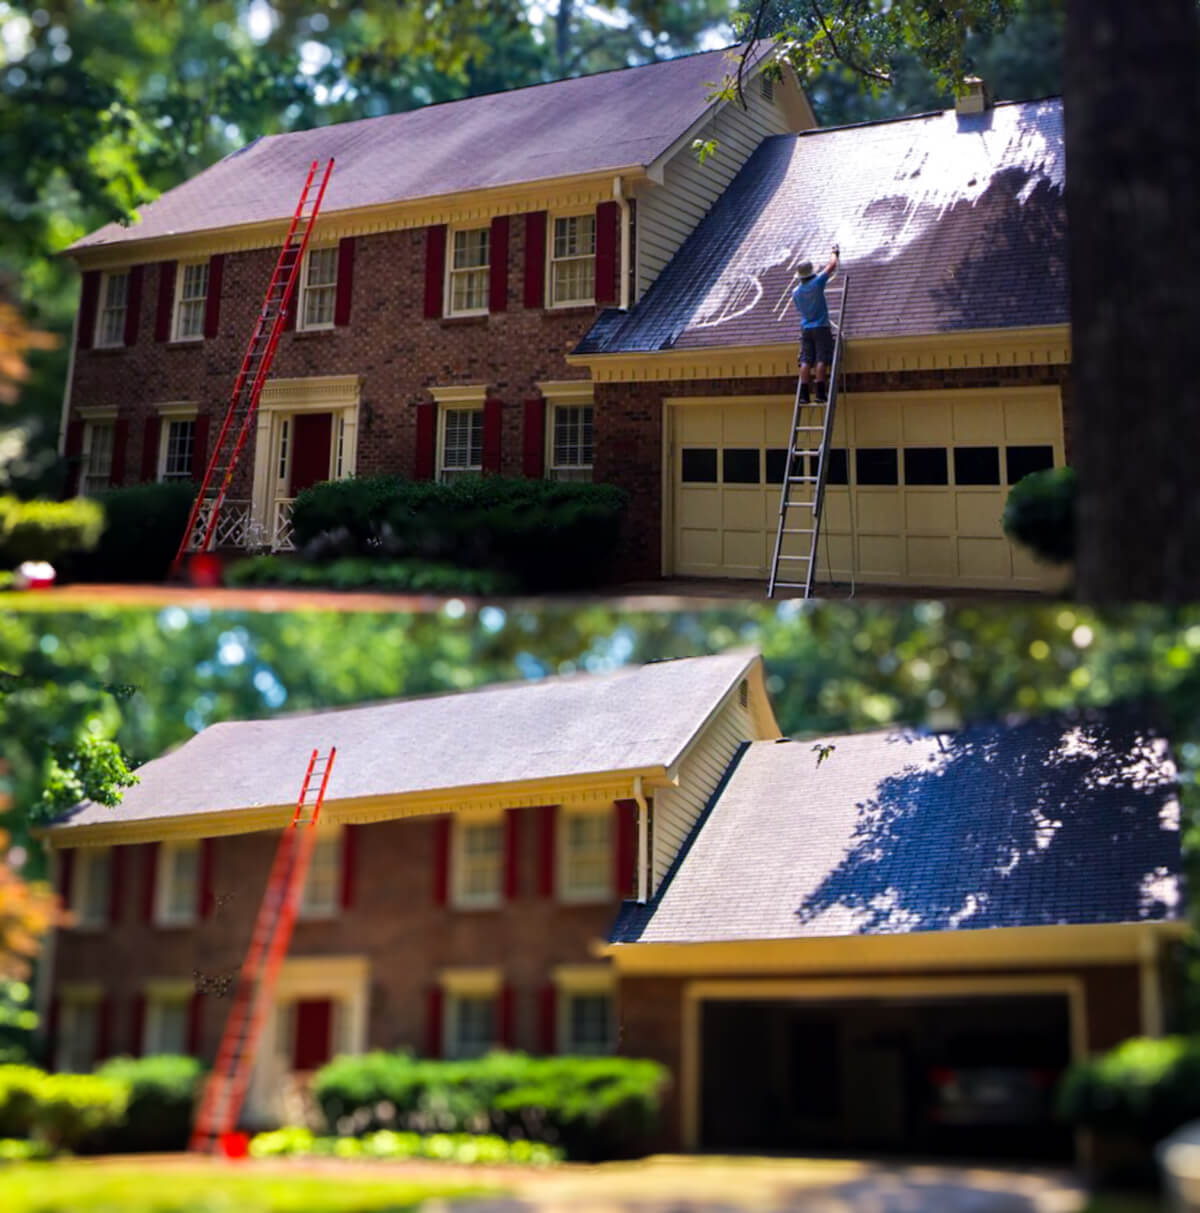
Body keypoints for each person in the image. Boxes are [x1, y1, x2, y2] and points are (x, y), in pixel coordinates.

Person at [791, 245, 840, 403]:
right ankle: (820, 394)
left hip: (806, 329)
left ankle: (804, 395)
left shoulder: (795, 292)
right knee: (821, 359)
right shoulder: (817, 283)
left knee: (805, 361)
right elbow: (831, 266)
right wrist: (834, 252)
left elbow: (799, 309)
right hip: (821, 327)